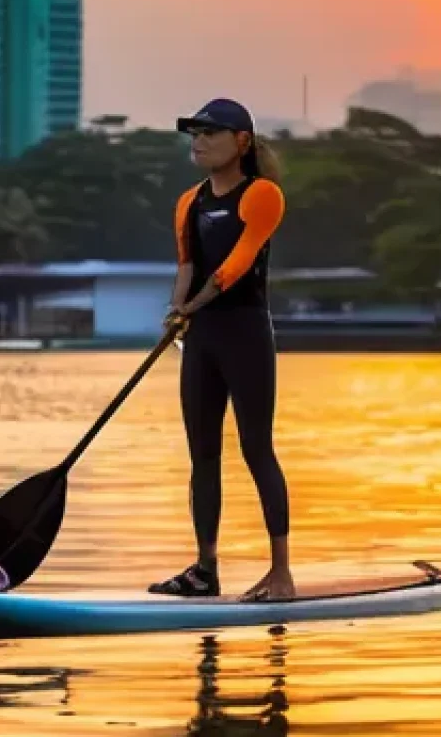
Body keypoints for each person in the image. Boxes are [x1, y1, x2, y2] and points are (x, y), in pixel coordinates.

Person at [149, 98, 296, 603]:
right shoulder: (189, 202)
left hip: (245, 335)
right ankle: (205, 569)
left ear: (241, 142)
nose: (199, 140)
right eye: (194, 132)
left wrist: (194, 305)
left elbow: (236, 265)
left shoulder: (262, 195)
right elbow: (188, 264)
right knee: (202, 455)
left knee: (256, 449)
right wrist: (175, 310)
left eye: (210, 132)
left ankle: (281, 573)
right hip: (203, 340)